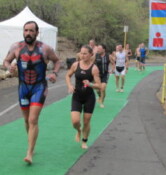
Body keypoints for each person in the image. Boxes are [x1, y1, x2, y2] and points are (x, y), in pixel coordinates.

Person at [3, 21, 60, 164]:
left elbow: (57, 61)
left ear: (36, 32)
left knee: (33, 120)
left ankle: (29, 152)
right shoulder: (16, 47)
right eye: (26, 30)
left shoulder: (45, 48)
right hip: (23, 88)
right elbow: (6, 61)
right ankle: (31, 143)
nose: (28, 33)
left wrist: (54, 73)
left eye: (31, 31)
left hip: (39, 87)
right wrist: (9, 67)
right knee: (26, 120)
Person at [66, 45, 101, 149]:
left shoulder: (94, 68)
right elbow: (68, 75)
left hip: (89, 97)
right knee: (75, 121)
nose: (83, 55)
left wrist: (90, 84)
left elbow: (99, 85)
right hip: (77, 96)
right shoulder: (75, 65)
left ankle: (84, 140)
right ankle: (78, 131)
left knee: (86, 121)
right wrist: (70, 85)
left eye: (85, 53)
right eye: (81, 53)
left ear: (90, 55)